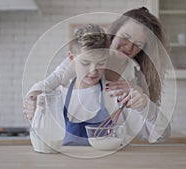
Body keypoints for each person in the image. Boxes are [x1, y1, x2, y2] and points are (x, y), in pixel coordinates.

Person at [24, 7, 172, 143]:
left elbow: (158, 132)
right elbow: (52, 80)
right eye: (125, 37)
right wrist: (34, 96)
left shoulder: (128, 81)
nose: (128, 47)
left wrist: (143, 101)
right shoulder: (64, 90)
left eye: (138, 44)